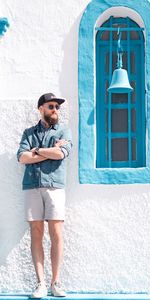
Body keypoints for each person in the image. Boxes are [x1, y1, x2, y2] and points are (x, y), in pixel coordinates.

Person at [17, 93, 72, 298]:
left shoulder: (64, 131)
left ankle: (55, 282)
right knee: (36, 233)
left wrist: (37, 151)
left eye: (57, 107)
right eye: (51, 106)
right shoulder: (28, 132)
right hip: (32, 186)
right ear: (41, 108)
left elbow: (61, 154)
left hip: (55, 186)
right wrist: (48, 151)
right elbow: (22, 157)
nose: (55, 110)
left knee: (56, 232)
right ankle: (40, 283)